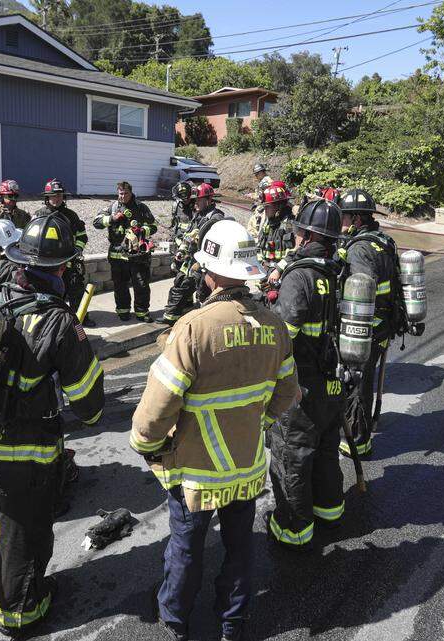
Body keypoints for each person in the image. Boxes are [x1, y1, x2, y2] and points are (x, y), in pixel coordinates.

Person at [131, 219, 300, 641]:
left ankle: (175, 619)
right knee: (241, 548)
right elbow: (288, 393)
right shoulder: (275, 327)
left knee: (186, 549)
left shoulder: (194, 328)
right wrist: (258, 423)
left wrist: (145, 444)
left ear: (210, 272)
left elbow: (156, 409)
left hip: (196, 473)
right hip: (246, 467)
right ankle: (232, 622)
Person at [0, 215, 104, 637]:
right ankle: (21, 612)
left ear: (20, 262)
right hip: (27, 456)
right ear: (61, 269)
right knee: (24, 533)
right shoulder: (59, 321)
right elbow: (90, 405)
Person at [266, 199, 346, 550]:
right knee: (326, 450)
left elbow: (282, 335)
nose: (294, 235)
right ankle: (330, 510)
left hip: (302, 389)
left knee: (292, 456)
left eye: (299, 230)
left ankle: (293, 528)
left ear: (307, 235)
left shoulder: (300, 276)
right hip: (336, 382)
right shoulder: (339, 271)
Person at [335, 189, 401, 458]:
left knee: (356, 383)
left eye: (344, 217)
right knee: (366, 379)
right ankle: (362, 428)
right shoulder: (383, 241)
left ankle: (358, 442)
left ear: (357, 220)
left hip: (365, 329)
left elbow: (361, 291)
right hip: (384, 324)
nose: (341, 223)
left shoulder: (360, 249)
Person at [93, 181, 157, 322]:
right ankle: (123, 311)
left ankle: (142, 312)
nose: (122, 196)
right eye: (120, 193)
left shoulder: (141, 207)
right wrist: (112, 218)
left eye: (125, 193)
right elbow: (96, 222)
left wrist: (141, 231)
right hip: (117, 255)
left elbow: (153, 226)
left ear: (131, 193)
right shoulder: (113, 207)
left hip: (138, 255)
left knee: (141, 285)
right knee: (120, 285)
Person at [162, 183, 225, 325]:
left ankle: (204, 322)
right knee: (180, 282)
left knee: (203, 293)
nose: (195, 202)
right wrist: (181, 251)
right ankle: (172, 317)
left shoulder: (216, 218)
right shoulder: (198, 215)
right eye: (195, 199)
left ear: (208, 200)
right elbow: (189, 235)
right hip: (191, 259)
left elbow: (217, 244)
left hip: (206, 264)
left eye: (198, 200)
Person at [31, 179, 90, 323]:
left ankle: (81, 319)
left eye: (59, 195)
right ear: (47, 197)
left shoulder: (71, 215)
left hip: (69, 261)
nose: (56, 198)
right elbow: (31, 238)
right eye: (53, 195)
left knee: (76, 290)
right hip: (48, 264)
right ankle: (54, 321)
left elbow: (82, 236)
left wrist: (78, 249)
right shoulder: (39, 215)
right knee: (52, 294)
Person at [255, 182, 297, 273]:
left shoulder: (289, 225)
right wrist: (261, 264)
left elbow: (294, 253)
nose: (265, 210)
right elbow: (259, 246)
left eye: (267, 207)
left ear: (278, 206)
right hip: (266, 271)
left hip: (283, 273)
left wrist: (278, 270)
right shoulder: (268, 223)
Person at [246, 163, 274, 238]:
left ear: (261, 172)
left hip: (266, 207)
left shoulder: (266, 182)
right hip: (267, 205)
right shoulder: (266, 180)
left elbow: (263, 196)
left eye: (257, 174)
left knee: (253, 226)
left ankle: (258, 240)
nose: (256, 176)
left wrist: (253, 196)